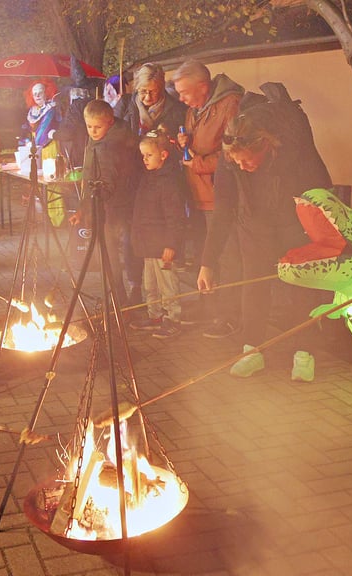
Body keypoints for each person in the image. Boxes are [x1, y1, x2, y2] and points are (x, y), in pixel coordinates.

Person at [197, 86, 332, 381]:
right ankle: (251, 350)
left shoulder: (294, 150)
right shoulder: (230, 158)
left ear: (266, 147)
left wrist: (318, 239)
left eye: (248, 161)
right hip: (254, 226)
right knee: (253, 285)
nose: (242, 167)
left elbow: (321, 189)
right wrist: (208, 262)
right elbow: (223, 211)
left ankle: (304, 352)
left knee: (301, 287)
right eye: (237, 162)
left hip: (295, 224)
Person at [172, 59, 245, 338]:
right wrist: (185, 144)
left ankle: (230, 316)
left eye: (184, 92)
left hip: (220, 195)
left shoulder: (230, 105)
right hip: (199, 193)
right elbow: (199, 142)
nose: (181, 98)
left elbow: (234, 151)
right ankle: (210, 309)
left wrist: (200, 164)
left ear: (203, 86)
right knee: (205, 255)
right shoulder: (196, 109)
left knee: (226, 257)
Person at [68, 99, 142, 304]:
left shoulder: (115, 144)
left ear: (110, 122)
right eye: (89, 126)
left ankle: (129, 294)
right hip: (103, 205)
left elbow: (111, 178)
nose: (93, 131)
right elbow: (89, 175)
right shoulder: (95, 141)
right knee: (110, 252)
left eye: (97, 127)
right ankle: (120, 295)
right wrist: (83, 207)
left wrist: (95, 202)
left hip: (118, 205)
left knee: (124, 249)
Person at [127, 130, 187, 339]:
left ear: (163, 154)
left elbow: (176, 216)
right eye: (142, 155)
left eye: (149, 155)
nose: (144, 159)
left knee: (167, 284)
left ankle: (173, 319)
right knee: (150, 284)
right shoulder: (148, 177)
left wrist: (172, 244)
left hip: (163, 247)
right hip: (148, 244)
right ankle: (155, 316)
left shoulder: (169, 181)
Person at [121, 63, 187, 138]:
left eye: (153, 91)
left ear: (161, 89)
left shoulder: (177, 110)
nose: (148, 97)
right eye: (143, 91)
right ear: (137, 88)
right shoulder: (124, 104)